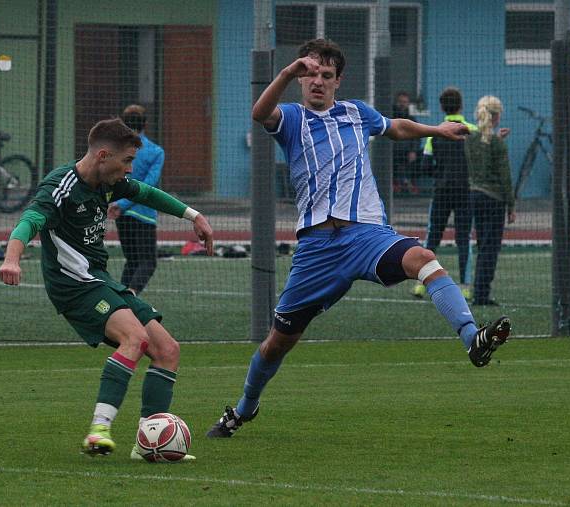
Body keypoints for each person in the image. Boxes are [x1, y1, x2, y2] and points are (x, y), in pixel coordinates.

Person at [206, 39, 511, 438]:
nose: (317, 82)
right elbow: (260, 112)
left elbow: (395, 127)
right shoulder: (293, 117)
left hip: (366, 236)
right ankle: (243, 409)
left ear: (338, 80)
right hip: (317, 249)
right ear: (300, 79)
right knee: (277, 344)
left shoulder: (356, 112)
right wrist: (284, 72)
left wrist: (435, 128)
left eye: (325, 76)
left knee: (423, 257)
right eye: (309, 74)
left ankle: (473, 339)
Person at [0, 118, 214, 460]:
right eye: (127, 161)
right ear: (103, 155)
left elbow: (147, 193)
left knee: (167, 350)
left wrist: (194, 215)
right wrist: (12, 259)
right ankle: (99, 429)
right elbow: (30, 220)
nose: (130, 169)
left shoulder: (109, 183)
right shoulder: (62, 186)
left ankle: (148, 444)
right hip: (72, 285)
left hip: (99, 278)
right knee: (135, 338)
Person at [411, 87, 476, 300]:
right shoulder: (472, 131)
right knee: (464, 239)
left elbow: (425, 166)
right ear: (461, 105)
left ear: (441, 107)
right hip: (466, 191)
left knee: (432, 239)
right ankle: (466, 287)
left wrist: (441, 174)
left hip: (442, 192)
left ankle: (422, 285)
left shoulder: (434, 134)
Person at [108, 104, 164, 295]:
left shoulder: (116, 150)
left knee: (132, 260)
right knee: (148, 261)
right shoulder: (156, 151)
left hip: (121, 213)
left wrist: (118, 204)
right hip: (143, 213)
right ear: (145, 123)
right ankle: (131, 294)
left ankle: (122, 299)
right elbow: (149, 185)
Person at [464, 96, 515, 306]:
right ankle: (482, 293)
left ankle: (478, 290)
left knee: (481, 244)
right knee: (490, 249)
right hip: (494, 199)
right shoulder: (496, 144)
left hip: (474, 196)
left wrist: (497, 140)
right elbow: (504, 176)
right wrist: (511, 205)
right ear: (496, 116)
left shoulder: (470, 139)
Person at [391, 91, 420, 195]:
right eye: (400, 102)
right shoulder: (390, 118)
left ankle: (411, 183)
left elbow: (417, 137)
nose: (402, 104)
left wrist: (413, 151)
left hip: (407, 150)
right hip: (393, 151)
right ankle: (395, 184)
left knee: (417, 159)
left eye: (405, 102)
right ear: (396, 102)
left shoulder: (412, 119)